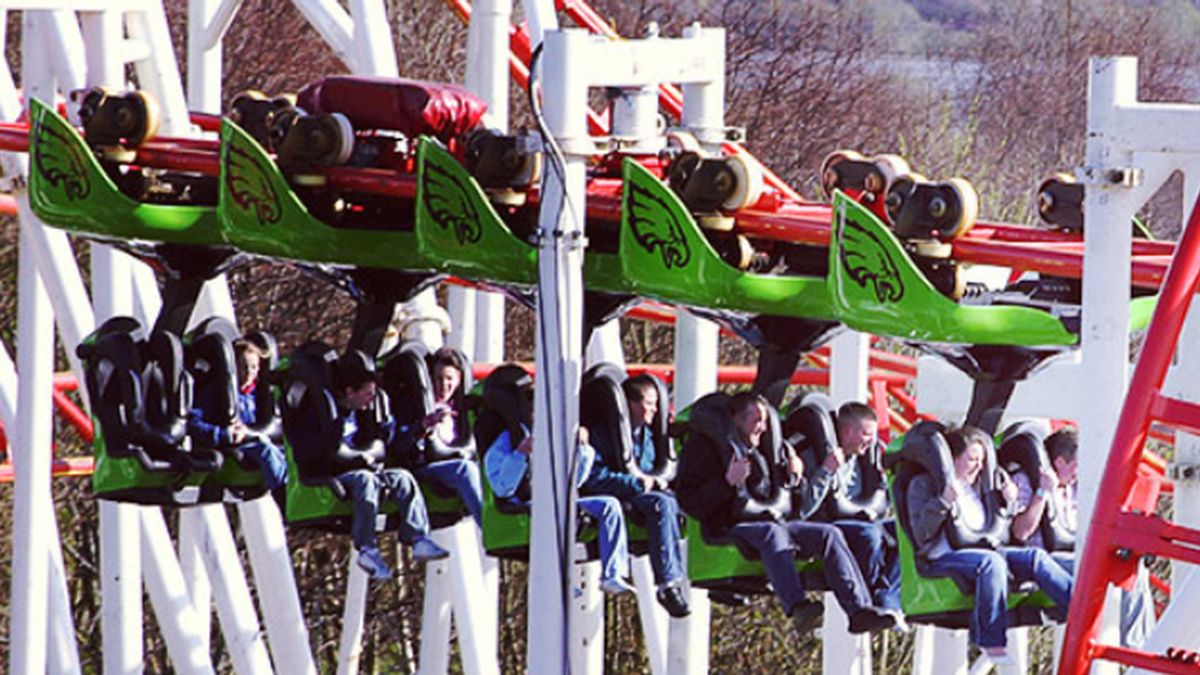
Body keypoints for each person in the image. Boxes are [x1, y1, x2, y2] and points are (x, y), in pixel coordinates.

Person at [675, 392, 902, 635]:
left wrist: (795, 478)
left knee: (829, 534)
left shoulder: (767, 451)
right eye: (756, 421)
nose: (762, 427)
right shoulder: (705, 450)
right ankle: (797, 606)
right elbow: (690, 502)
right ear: (737, 421)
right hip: (729, 524)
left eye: (764, 421)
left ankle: (859, 611)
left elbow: (794, 504)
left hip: (775, 520)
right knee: (772, 534)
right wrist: (726, 482)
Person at [907, 426, 1073, 662]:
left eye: (982, 460)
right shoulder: (923, 485)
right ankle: (990, 639)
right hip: (944, 557)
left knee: (1034, 557)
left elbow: (1006, 533)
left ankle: (1077, 605)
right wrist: (943, 501)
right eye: (972, 459)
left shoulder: (982, 489)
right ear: (952, 459)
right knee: (990, 562)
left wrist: (1009, 502)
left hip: (986, 550)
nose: (979, 466)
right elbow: (922, 533)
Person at [299, 350, 449, 581]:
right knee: (365, 480)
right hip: (338, 472)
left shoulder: (365, 415)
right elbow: (316, 450)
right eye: (367, 394)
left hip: (367, 466)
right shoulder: (326, 413)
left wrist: (394, 427)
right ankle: (367, 549)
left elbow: (387, 445)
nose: (371, 400)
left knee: (402, 477)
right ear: (350, 392)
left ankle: (417, 537)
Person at [486, 410, 635, 596]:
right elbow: (502, 488)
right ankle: (559, 578)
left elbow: (576, 481)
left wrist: (584, 449)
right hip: (527, 504)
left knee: (609, 505)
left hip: (562, 498)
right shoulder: (508, 439)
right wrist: (520, 454)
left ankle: (612, 574)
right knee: (553, 511)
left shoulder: (561, 435)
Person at [581, 374, 690, 617]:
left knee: (673, 501)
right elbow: (594, 478)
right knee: (662, 504)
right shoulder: (603, 435)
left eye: (655, 405)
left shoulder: (652, 439)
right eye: (648, 404)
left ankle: (676, 575)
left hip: (647, 495)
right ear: (630, 404)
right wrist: (636, 483)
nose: (653, 410)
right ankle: (667, 584)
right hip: (619, 495)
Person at [796, 402, 900, 610]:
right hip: (826, 524)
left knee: (901, 531)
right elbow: (803, 508)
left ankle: (888, 598)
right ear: (847, 431)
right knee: (869, 534)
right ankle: (872, 598)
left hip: (862, 520)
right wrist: (826, 471)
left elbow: (881, 508)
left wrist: (885, 483)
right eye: (866, 434)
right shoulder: (813, 456)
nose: (870, 441)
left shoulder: (866, 459)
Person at [188, 336, 288, 507]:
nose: (249, 373)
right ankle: (285, 500)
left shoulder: (261, 398)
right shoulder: (215, 392)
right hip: (233, 447)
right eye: (244, 367)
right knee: (266, 451)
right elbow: (194, 423)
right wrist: (223, 434)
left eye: (254, 367)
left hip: (260, 440)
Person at [405, 347, 484, 526]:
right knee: (466, 469)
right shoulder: (420, 406)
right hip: (428, 467)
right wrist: (424, 425)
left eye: (449, 379)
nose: (444, 385)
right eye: (439, 378)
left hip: (460, 460)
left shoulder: (465, 411)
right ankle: (488, 526)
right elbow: (401, 443)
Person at [1010, 426, 1078, 570]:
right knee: (1081, 568)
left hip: (1072, 553)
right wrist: (1042, 492)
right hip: (1041, 558)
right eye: (1077, 466)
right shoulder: (1024, 481)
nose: (1079, 473)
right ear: (1060, 462)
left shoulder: (1074, 488)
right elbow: (1020, 532)